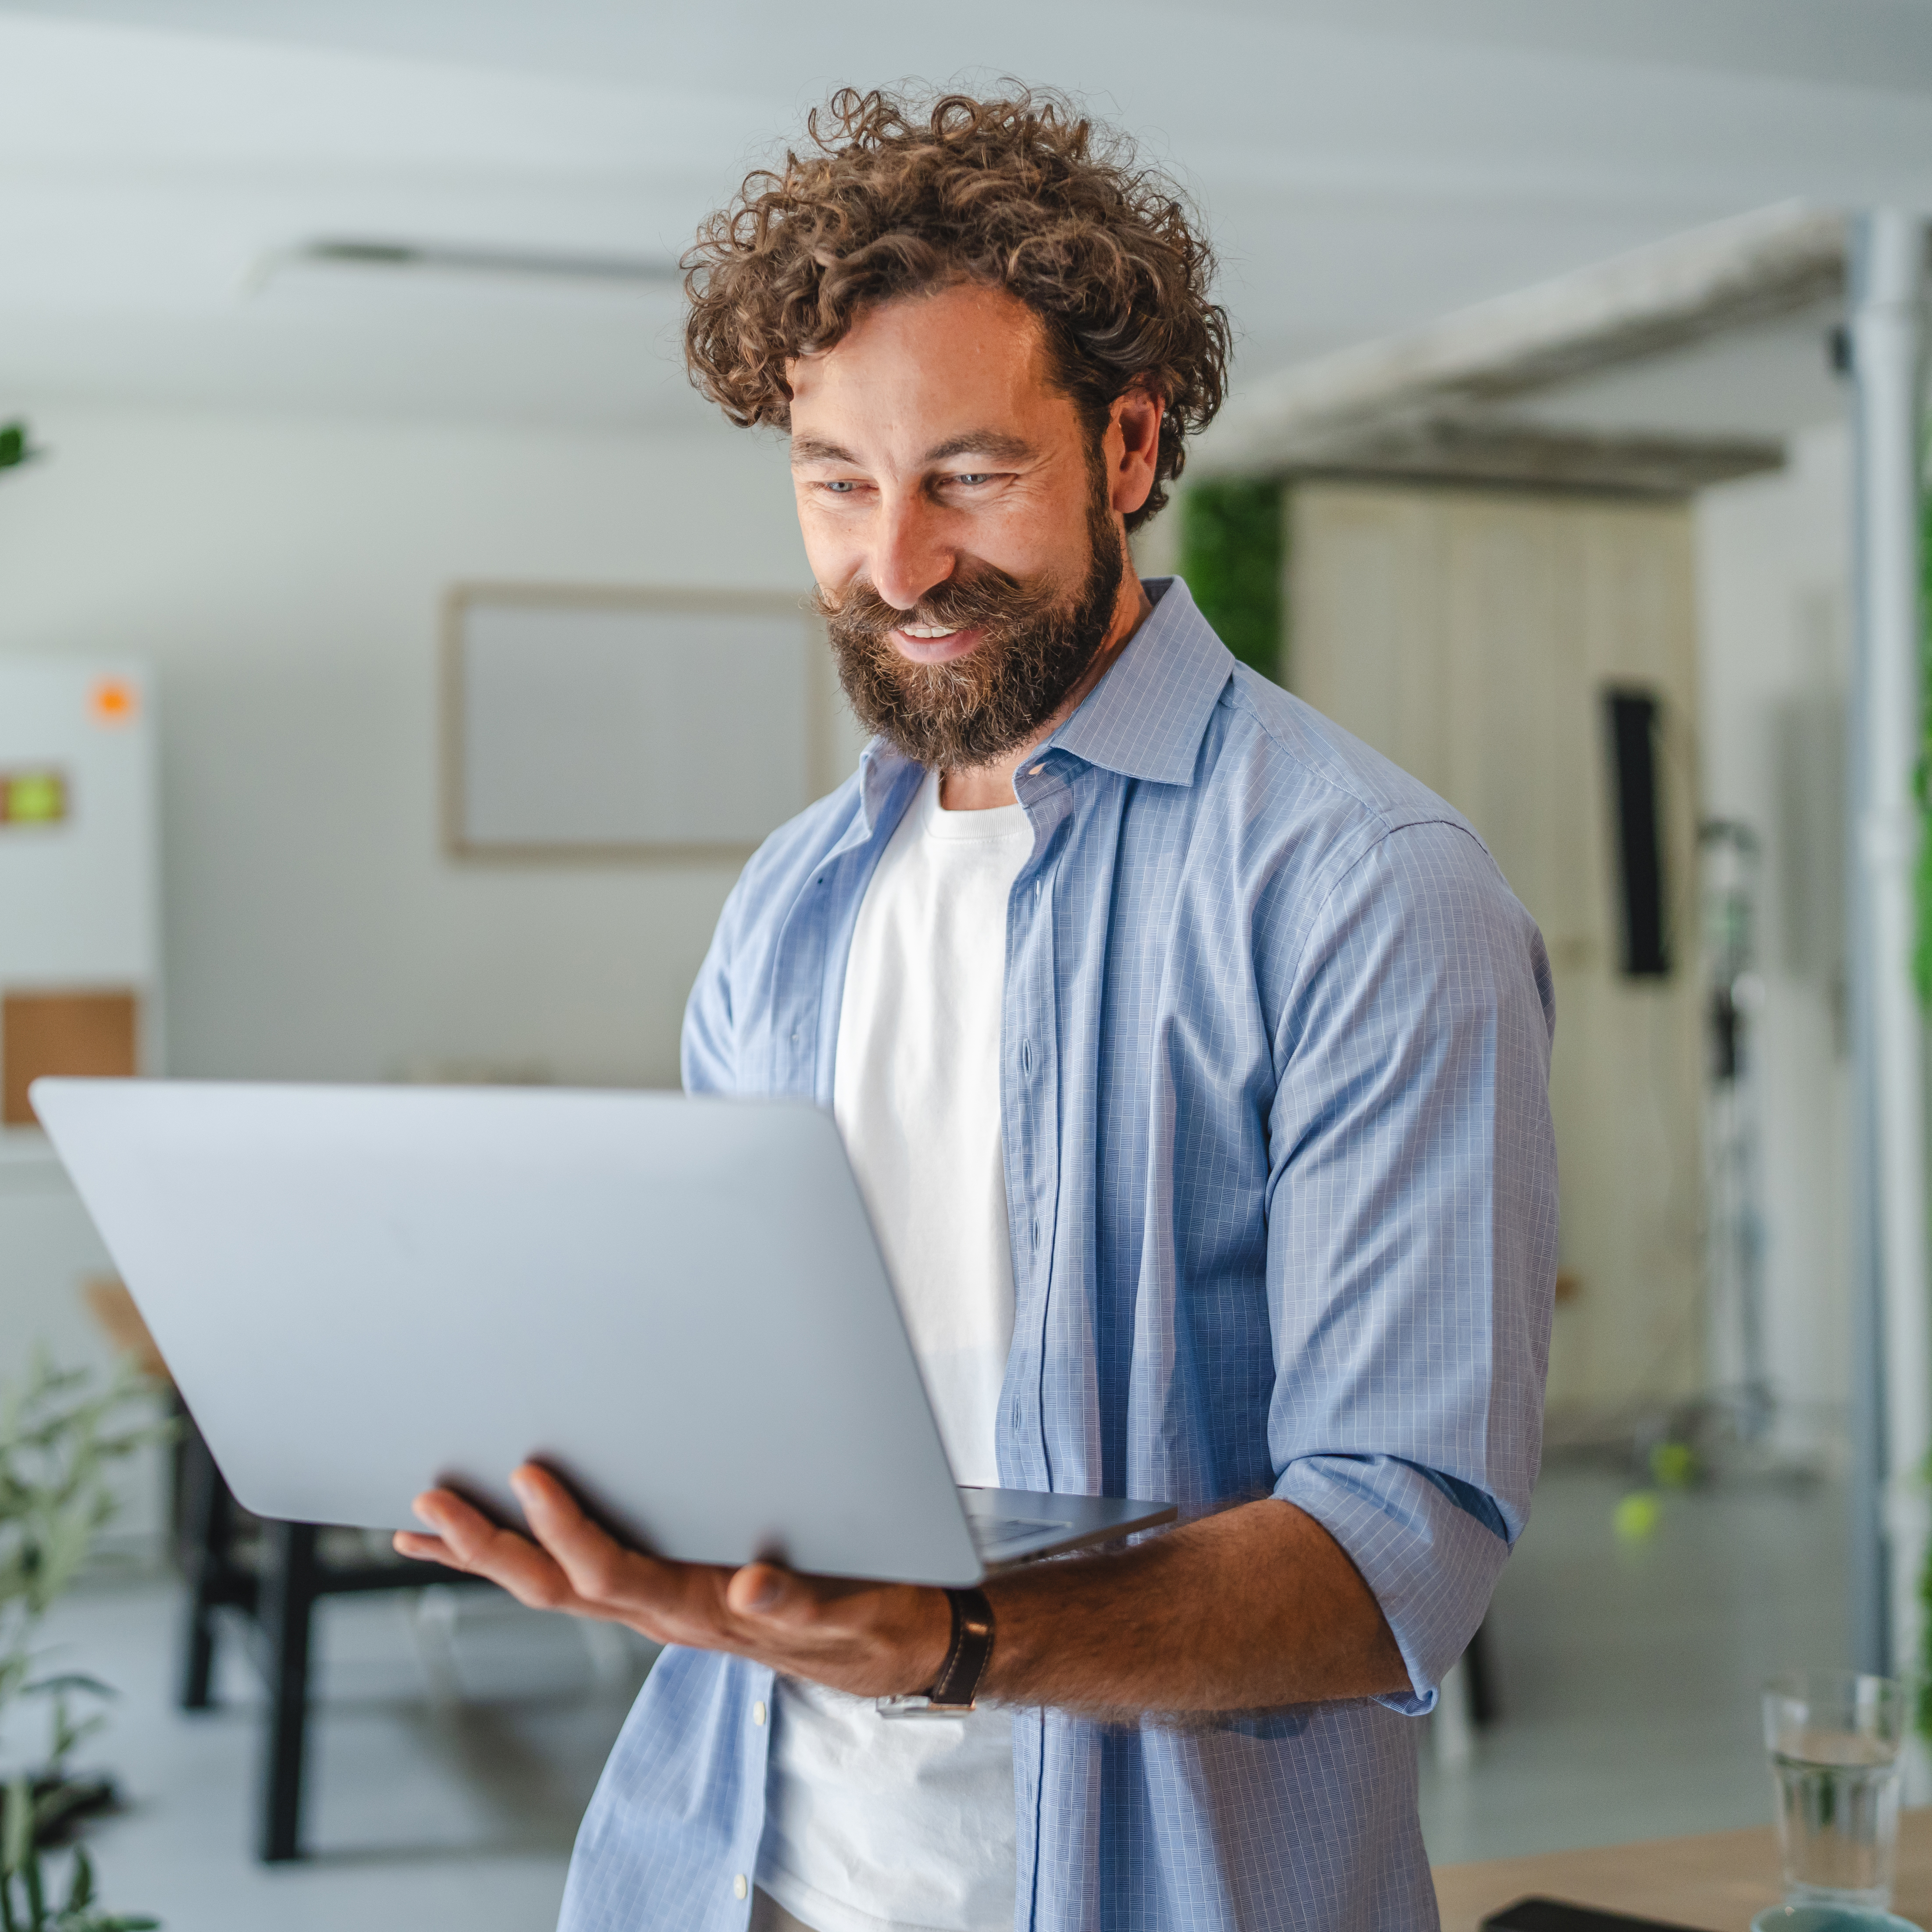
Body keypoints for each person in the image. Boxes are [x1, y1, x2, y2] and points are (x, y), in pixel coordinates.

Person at [396, 87, 1558, 1932]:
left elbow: (1393, 1553)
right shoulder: (791, 901)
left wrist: (945, 1643)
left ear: (1125, 441)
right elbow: (728, 1384)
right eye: (837, 482)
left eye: (968, 474)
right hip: (742, 1876)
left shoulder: (1364, 887)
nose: (898, 564)